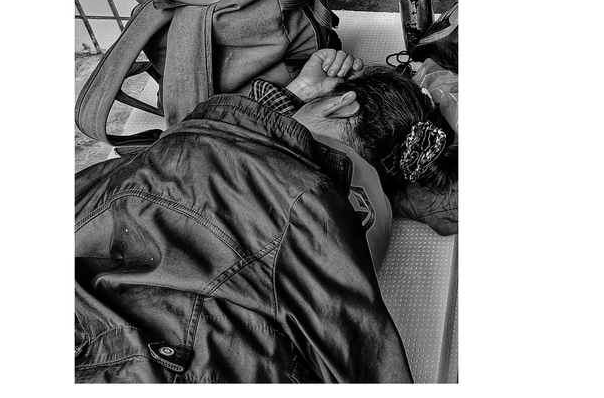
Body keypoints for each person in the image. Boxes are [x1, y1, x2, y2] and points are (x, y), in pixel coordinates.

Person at [75, 49, 457, 383]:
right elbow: (361, 349)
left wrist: (297, 92)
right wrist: (299, 93)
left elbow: (240, 128)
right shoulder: (352, 210)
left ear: (341, 105)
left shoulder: (287, 186)